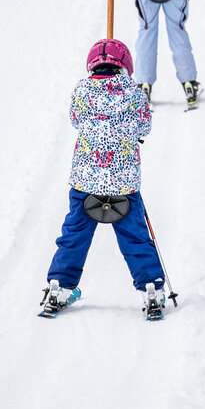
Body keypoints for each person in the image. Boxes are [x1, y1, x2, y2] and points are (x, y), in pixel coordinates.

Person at [39, 38, 166, 320]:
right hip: (123, 184)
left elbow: (75, 120)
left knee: (75, 234)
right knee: (134, 237)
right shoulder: (134, 94)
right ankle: (151, 289)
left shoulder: (81, 91)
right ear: (126, 66)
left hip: (85, 182)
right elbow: (145, 125)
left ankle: (59, 286)